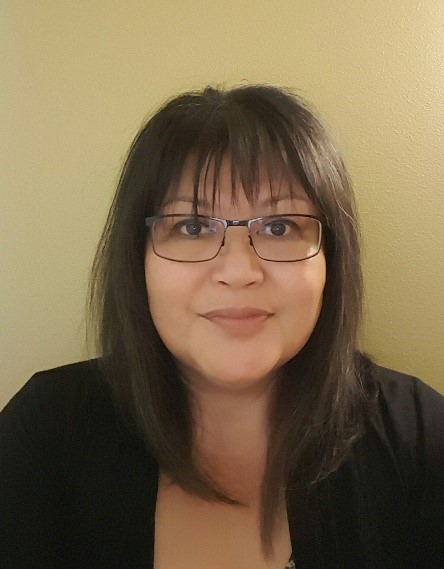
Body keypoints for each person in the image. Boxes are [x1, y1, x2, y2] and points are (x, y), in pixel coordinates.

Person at [0, 85, 443, 569]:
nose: (239, 271)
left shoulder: (420, 438)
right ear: (137, 260)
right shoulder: (45, 437)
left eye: (279, 227)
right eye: (192, 227)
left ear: (331, 261)